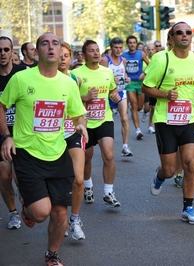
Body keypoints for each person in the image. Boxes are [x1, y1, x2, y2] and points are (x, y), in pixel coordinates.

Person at [0, 32, 88, 265]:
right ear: (37, 51)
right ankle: (27, 207)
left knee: (59, 213)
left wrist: (81, 125)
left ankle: (52, 255)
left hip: (58, 153)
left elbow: (78, 113)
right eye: (45, 43)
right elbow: (1, 104)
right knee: (40, 213)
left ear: (61, 51)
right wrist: (6, 136)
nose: (51, 47)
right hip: (28, 153)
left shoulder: (68, 84)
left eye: (55, 43)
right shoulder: (21, 79)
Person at [142, 22, 194, 224]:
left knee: (190, 164)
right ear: (171, 38)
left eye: (188, 32)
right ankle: (160, 176)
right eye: (179, 32)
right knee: (170, 170)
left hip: (189, 119)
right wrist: (165, 94)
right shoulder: (161, 59)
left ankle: (188, 208)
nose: (184, 35)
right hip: (165, 120)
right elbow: (146, 87)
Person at [72, 39, 122, 208]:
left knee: (109, 155)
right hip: (84, 122)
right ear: (84, 54)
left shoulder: (107, 72)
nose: (95, 53)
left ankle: (109, 192)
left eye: (97, 50)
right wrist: (84, 98)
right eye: (91, 50)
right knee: (87, 157)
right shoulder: (77, 74)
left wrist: (114, 95)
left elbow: (113, 89)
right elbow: (68, 98)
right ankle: (87, 187)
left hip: (104, 119)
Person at [58, 41, 87, 240]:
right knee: (59, 182)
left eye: (66, 55)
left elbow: (78, 108)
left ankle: (75, 219)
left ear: (71, 58)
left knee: (78, 179)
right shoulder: (41, 78)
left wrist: (82, 123)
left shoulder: (75, 79)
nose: (62, 58)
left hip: (72, 133)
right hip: (49, 137)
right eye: (59, 54)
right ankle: (57, 220)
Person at [0, 36, 25, 230]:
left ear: (12, 52)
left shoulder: (22, 74)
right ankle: (13, 212)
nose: (2, 53)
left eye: (6, 50)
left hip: (23, 133)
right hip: (2, 134)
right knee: (4, 176)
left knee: (22, 177)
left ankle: (26, 205)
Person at [99, 37, 132, 156]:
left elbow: (125, 74)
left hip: (121, 92)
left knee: (124, 118)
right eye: (116, 48)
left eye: (120, 47)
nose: (118, 50)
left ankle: (125, 146)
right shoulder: (104, 60)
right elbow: (98, 77)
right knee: (103, 120)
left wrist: (127, 79)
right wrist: (110, 79)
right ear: (111, 48)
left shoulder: (123, 60)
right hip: (107, 94)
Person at [122, 35, 150, 140]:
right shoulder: (124, 55)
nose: (132, 44)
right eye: (130, 43)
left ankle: (136, 110)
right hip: (130, 83)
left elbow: (150, 65)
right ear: (127, 44)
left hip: (140, 83)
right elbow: (121, 68)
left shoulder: (141, 54)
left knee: (139, 107)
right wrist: (124, 76)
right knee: (134, 105)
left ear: (136, 44)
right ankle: (138, 130)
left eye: (134, 42)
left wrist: (144, 73)